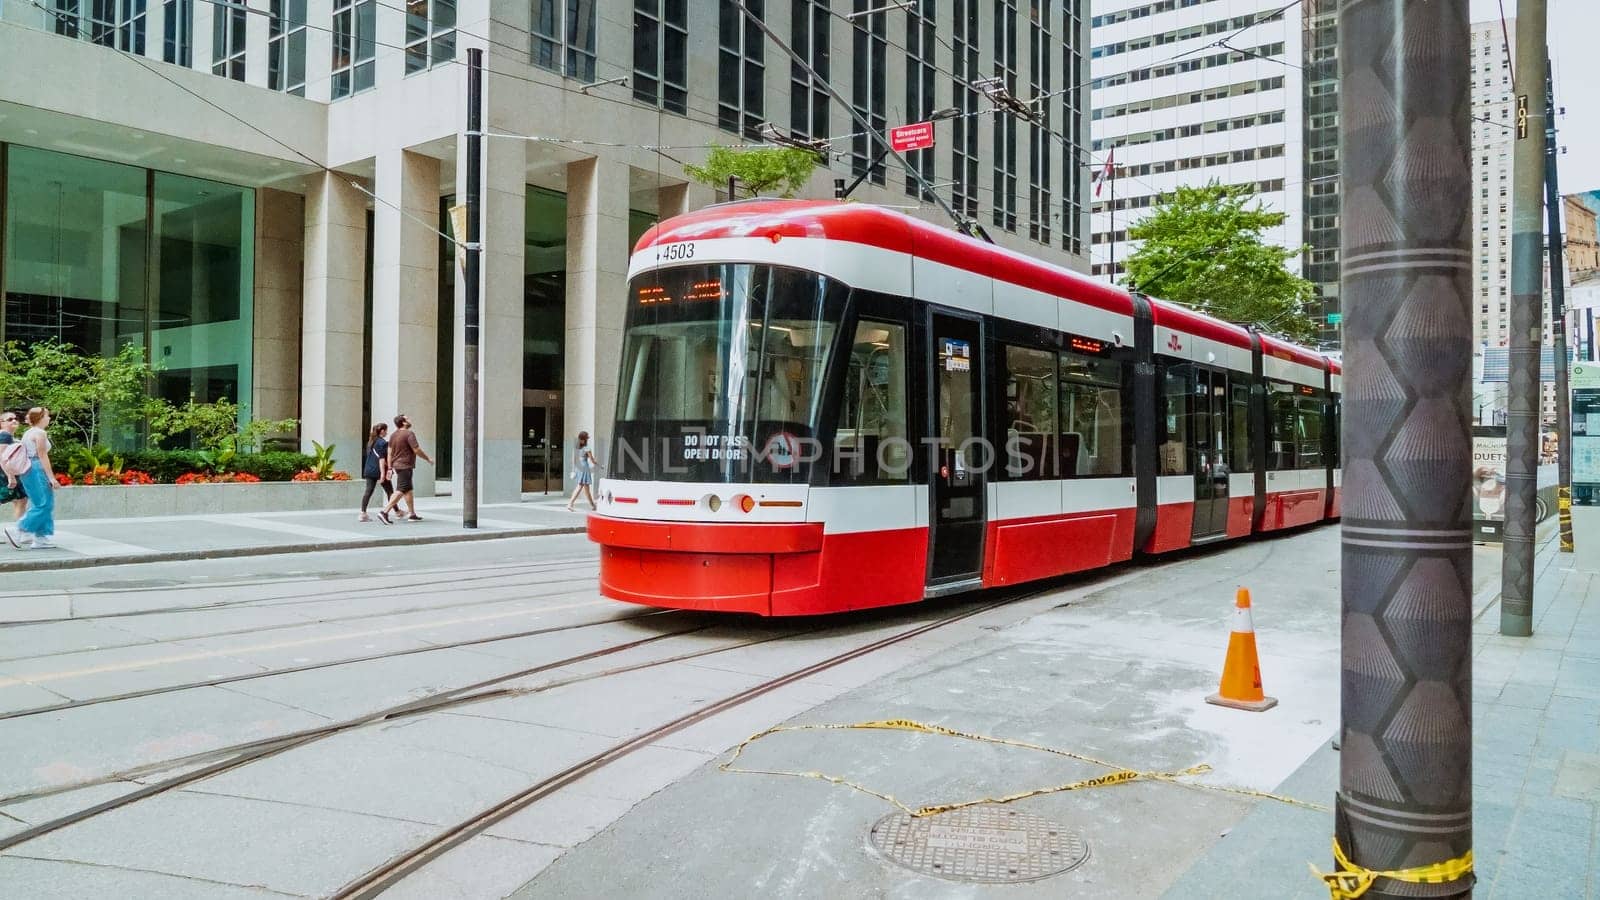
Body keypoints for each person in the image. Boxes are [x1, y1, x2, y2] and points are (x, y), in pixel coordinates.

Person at [6, 407, 57, 550]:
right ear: (40, 417)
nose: (49, 418)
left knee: (39, 503)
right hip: (37, 468)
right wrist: (51, 478)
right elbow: (42, 456)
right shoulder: (40, 433)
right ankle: (19, 529)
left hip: (27, 470)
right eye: (47, 415)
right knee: (45, 504)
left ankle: (41, 538)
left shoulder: (28, 433)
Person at [379, 413, 432, 523]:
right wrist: (428, 459)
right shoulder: (409, 434)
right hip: (405, 466)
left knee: (408, 489)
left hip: (397, 466)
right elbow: (416, 450)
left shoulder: (393, 435)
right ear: (403, 422)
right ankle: (384, 512)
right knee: (401, 489)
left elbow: (389, 453)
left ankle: (412, 514)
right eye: (408, 419)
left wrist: (389, 467)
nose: (410, 420)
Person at [359, 421, 393, 523]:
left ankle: (362, 513)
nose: (387, 432)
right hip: (378, 470)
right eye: (386, 430)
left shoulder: (370, 442)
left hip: (369, 469)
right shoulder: (382, 443)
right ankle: (397, 511)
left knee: (368, 491)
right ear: (382, 431)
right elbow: (382, 459)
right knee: (390, 491)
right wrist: (383, 474)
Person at [0, 410, 28, 521]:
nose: (14, 421)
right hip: (5, 473)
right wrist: (10, 477)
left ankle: (19, 530)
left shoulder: (7, 436)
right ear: (1, 423)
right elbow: (1, 456)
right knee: (21, 500)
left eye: (16, 418)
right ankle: (19, 531)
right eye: (10, 419)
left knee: (21, 499)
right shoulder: (5, 435)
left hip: (7, 472)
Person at [566, 430, 601, 512]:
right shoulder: (587, 448)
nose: (587, 439)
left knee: (586, 488)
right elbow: (592, 460)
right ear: (585, 439)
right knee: (580, 486)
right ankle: (570, 503)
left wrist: (573, 469)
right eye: (587, 438)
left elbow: (574, 459)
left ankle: (593, 505)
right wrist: (599, 465)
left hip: (578, 468)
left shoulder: (576, 447)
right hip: (584, 468)